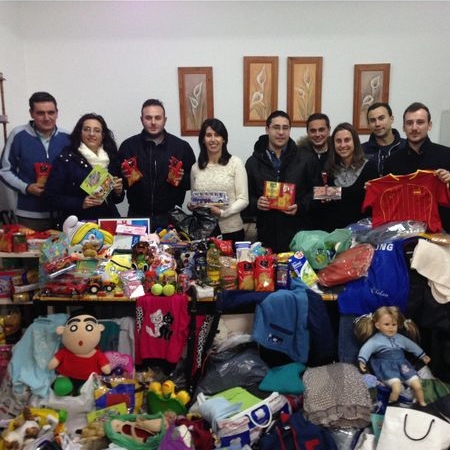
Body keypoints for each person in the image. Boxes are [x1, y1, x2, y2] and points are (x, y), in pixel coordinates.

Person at [245, 110, 321, 253]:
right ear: (267, 129)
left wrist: (300, 206)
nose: (281, 132)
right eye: (276, 127)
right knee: (267, 275)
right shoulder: (252, 162)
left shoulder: (306, 159)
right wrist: (257, 203)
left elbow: (317, 193)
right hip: (266, 235)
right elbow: (246, 197)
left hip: (299, 235)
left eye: (285, 128)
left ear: (290, 130)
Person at [118, 99, 196, 231]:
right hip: (137, 216)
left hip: (172, 216)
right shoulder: (128, 146)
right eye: (148, 118)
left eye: (157, 118)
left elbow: (193, 182)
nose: (153, 122)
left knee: (173, 252)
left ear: (164, 120)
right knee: (138, 251)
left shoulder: (181, 147)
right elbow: (118, 186)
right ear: (141, 119)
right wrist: (124, 179)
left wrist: (182, 179)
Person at [0, 92, 70, 231]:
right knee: (30, 253)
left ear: (57, 113)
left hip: (62, 213)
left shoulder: (67, 137)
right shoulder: (18, 135)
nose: (46, 118)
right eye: (40, 113)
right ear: (31, 113)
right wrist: (26, 187)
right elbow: (5, 170)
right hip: (28, 215)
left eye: (51, 112)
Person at [44, 113, 124, 225]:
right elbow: (50, 197)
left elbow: (117, 200)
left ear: (103, 135)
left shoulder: (111, 158)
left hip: (107, 221)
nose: (91, 134)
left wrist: (118, 192)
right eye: (86, 129)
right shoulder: (66, 158)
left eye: (96, 130)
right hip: (78, 223)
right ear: (80, 132)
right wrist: (81, 203)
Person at [383, 102, 450, 231]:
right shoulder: (392, 161)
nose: (414, 127)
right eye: (409, 123)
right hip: (404, 233)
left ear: (429, 125)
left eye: (420, 122)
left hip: (442, 232)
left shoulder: (447, 155)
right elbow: (388, 202)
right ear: (403, 127)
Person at [355, 306, 430, 406]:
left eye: (394, 324)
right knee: (396, 387)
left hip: (403, 366)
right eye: (386, 324)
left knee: (417, 385)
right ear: (377, 325)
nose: (391, 327)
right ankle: (390, 403)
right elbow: (366, 349)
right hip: (387, 368)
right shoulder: (375, 340)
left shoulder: (400, 338)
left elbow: (411, 346)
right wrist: (362, 361)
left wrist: (422, 355)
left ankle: (422, 403)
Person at [189, 118, 249, 242]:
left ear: (224, 139)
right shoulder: (195, 168)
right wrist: (192, 205)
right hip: (203, 231)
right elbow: (195, 198)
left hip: (231, 230)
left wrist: (222, 213)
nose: (213, 139)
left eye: (217, 135)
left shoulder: (235, 163)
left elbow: (243, 199)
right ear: (203, 140)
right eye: (208, 135)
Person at [313, 122, 378, 232]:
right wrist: (323, 197)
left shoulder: (370, 167)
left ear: (355, 142)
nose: (343, 145)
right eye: (338, 141)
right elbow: (317, 198)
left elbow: (376, 205)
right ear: (333, 144)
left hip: (362, 235)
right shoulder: (328, 169)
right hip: (333, 235)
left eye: (347, 140)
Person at [362, 102, 405, 176]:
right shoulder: (361, 151)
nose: (377, 124)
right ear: (368, 124)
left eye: (381, 118)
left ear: (391, 119)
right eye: (372, 120)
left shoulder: (407, 146)